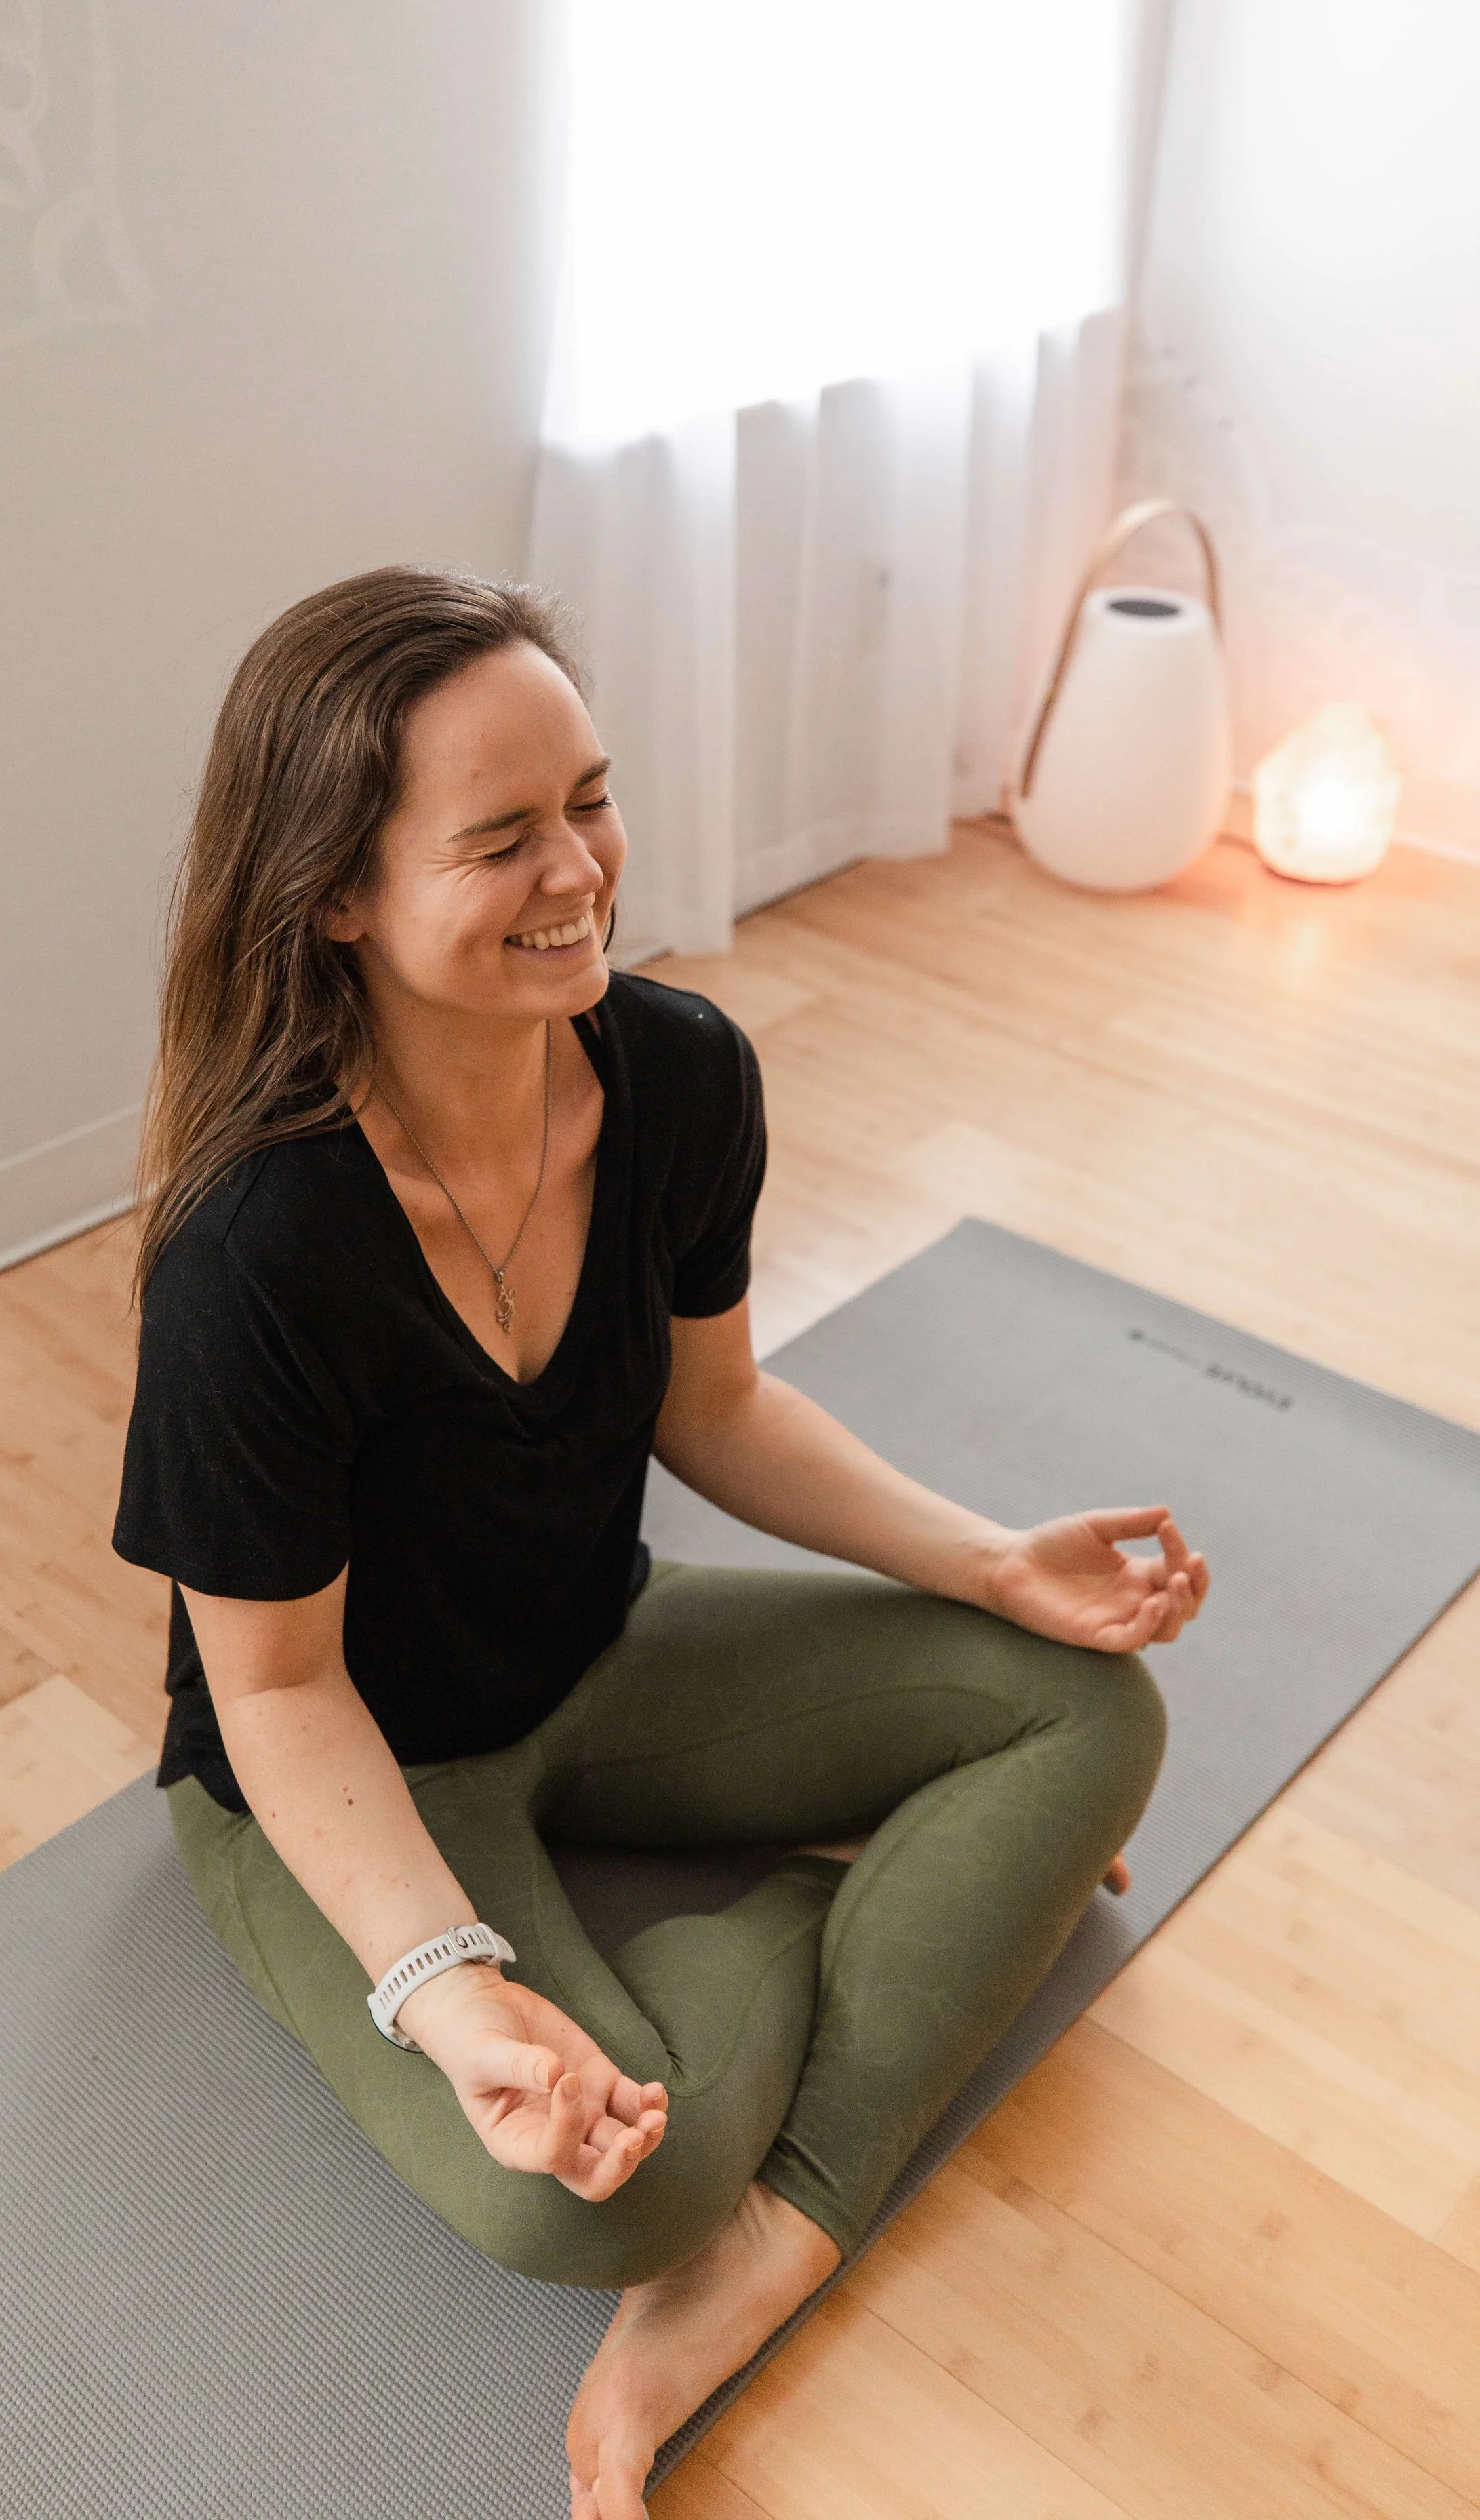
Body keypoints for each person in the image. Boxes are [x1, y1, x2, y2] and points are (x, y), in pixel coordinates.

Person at [113, 567, 1205, 2520]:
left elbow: (715, 1413)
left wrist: (986, 1563)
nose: (580, 870)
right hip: (343, 1768)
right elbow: (274, 1689)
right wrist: (450, 1991)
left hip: (601, 1640)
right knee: (590, 2204)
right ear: (337, 893)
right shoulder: (252, 1253)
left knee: (1083, 1702)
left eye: (590, 799)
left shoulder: (677, 1071)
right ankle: (815, 1910)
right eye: (503, 834)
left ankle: (776, 2236)